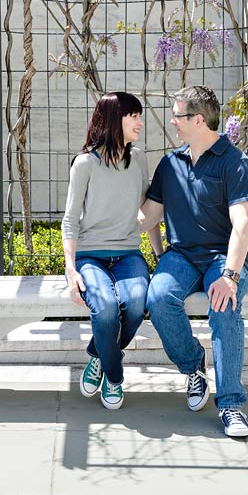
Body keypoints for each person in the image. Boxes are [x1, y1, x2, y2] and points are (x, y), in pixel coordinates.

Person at [139, 85, 248, 438]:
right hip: (182, 255)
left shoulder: (235, 162)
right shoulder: (170, 164)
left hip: (225, 256)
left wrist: (231, 276)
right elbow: (147, 217)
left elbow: (243, 224)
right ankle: (193, 367)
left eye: (178, 115)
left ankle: (231, 404)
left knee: (224, 305)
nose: (172, 121)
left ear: (199, 120)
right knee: (158, 298)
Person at [62, 92, 160, 410]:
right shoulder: (86, 163)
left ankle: (97, 356)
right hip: (91, 255)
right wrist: (71, 270)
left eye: (140, 116)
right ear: (115, 118)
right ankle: (115, 377)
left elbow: (149, 209)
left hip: (129, 255)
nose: (140, 122)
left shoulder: (139, 158)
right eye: (134, 116)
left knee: (134, 305)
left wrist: (158, 256)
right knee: (104, 309)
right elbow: (70, 220)